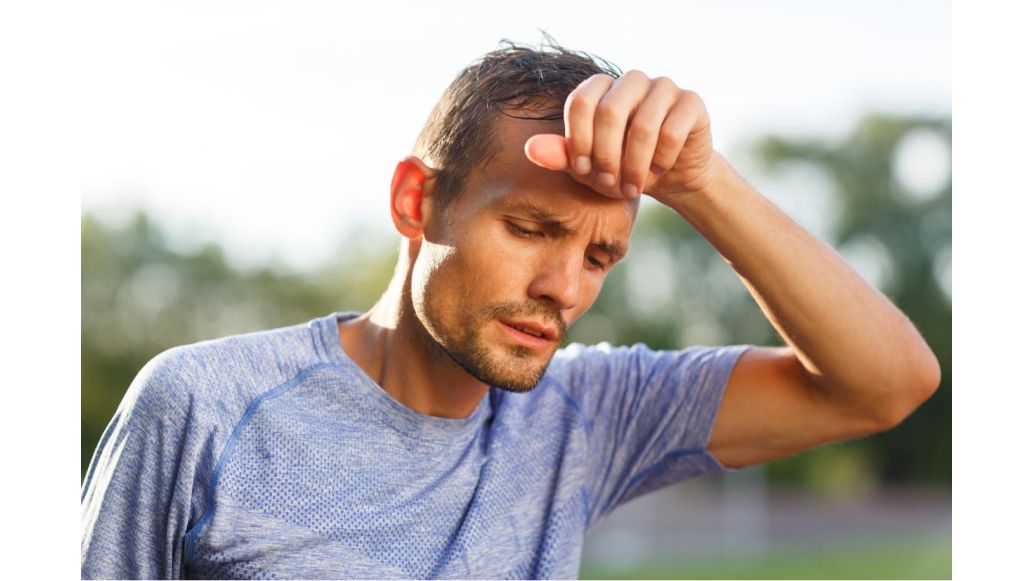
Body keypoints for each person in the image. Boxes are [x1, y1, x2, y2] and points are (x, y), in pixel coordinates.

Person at [80, 40, 941, 580]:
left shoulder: (586, 416)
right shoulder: (204, 402)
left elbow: (883, 383)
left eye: (599, 256)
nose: (565, 290)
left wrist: (701, 184)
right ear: (417, 201)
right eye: (531, 228)